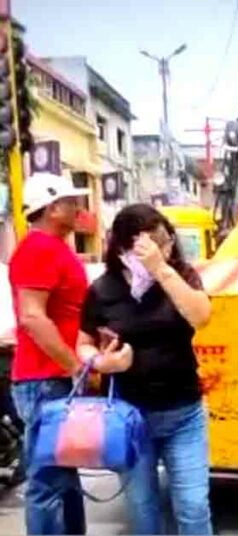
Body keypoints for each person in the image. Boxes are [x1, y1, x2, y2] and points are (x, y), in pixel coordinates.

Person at [10, 172, 133, 535]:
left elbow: (66, 312)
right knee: (48, 479)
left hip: (56, 377)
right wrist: (74, 365)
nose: (78, 207)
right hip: (45, 379)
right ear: (51, 208)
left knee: (64, 476)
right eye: (70, 201)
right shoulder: (38, 249)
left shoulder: (56, 248)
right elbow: (33, 317)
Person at [80, 204, 213, 534]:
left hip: (184, 413)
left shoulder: (180, 274)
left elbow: (201, 315)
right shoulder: (103, 289)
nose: (161, 249)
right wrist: (101, 362)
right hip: (129, 418)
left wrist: (161, 270)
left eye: (165, 241)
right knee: (143, 511)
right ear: (124, 247)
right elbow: (83, 343)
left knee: (194, 507)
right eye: (150, 243)